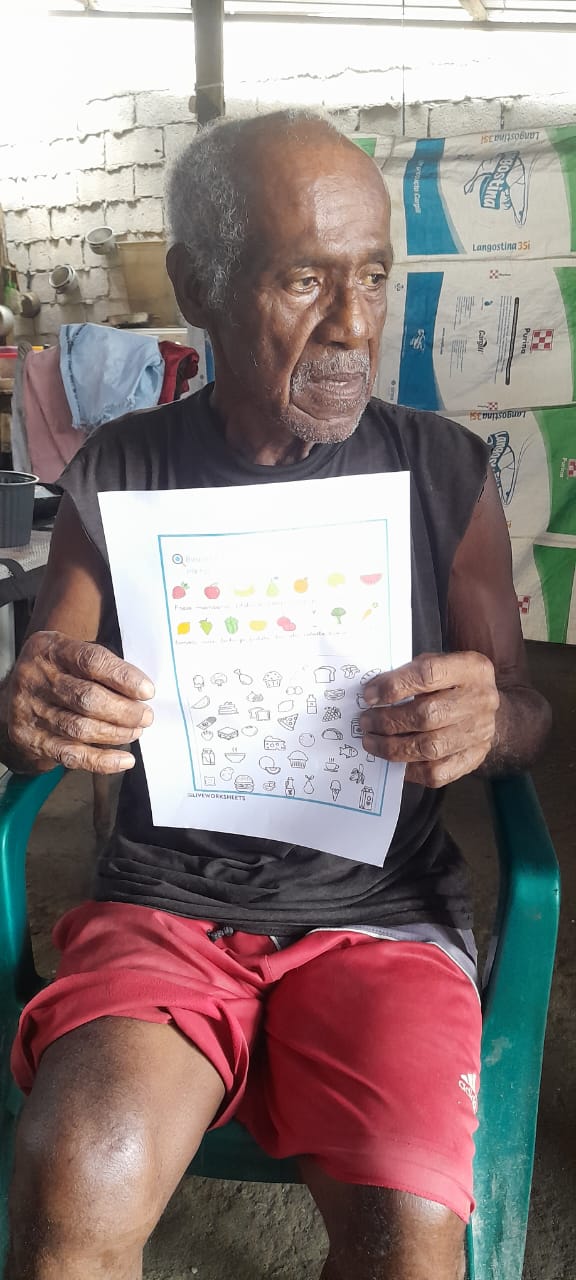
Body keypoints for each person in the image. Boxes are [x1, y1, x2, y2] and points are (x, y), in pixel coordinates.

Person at [1, 111, 550, 1280]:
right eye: (305, 279)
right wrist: (28, 709)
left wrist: (495, 718)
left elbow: (527, 711)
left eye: (373, 276)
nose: (354, 323)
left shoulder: (444, 469)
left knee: (408, 1230)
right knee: (75, 1177)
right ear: (199, 283)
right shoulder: (120, 469)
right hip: (165, 909)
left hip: (382, 912)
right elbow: (39, 702)